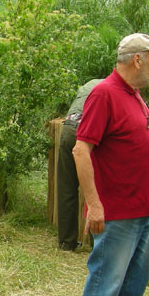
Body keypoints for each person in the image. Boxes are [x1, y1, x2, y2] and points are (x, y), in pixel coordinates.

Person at [68, 33, 149, 296]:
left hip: (143, 207)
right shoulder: (105, 94)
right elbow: (81, 150)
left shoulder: (134, 94)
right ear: (137, 59)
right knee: (107, 274)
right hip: (118, 208)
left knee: (136, 275)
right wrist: (95, 204)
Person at [57, 78, 103, 251]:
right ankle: (96, 243)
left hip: (68, 129)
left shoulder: (88, 85)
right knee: (94, 188)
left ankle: (66, 242)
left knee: (66, 188)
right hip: (87, 132)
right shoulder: (111, 90)